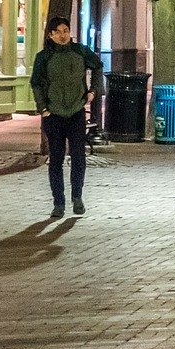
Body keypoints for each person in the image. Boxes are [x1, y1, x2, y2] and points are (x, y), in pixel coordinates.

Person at [31, 15, 104, 218]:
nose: (63, 35)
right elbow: (36, 82)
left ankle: (77, 197)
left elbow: (98, 66)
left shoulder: (80, 51)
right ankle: (58, 202)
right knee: (56, 158)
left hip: (76, 111)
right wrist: (43, 108)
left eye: (65, 31)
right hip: (53, 114)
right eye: (58, 32)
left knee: (78, 156)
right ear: (51, 35)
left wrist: (93, 92)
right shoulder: (43, 57)